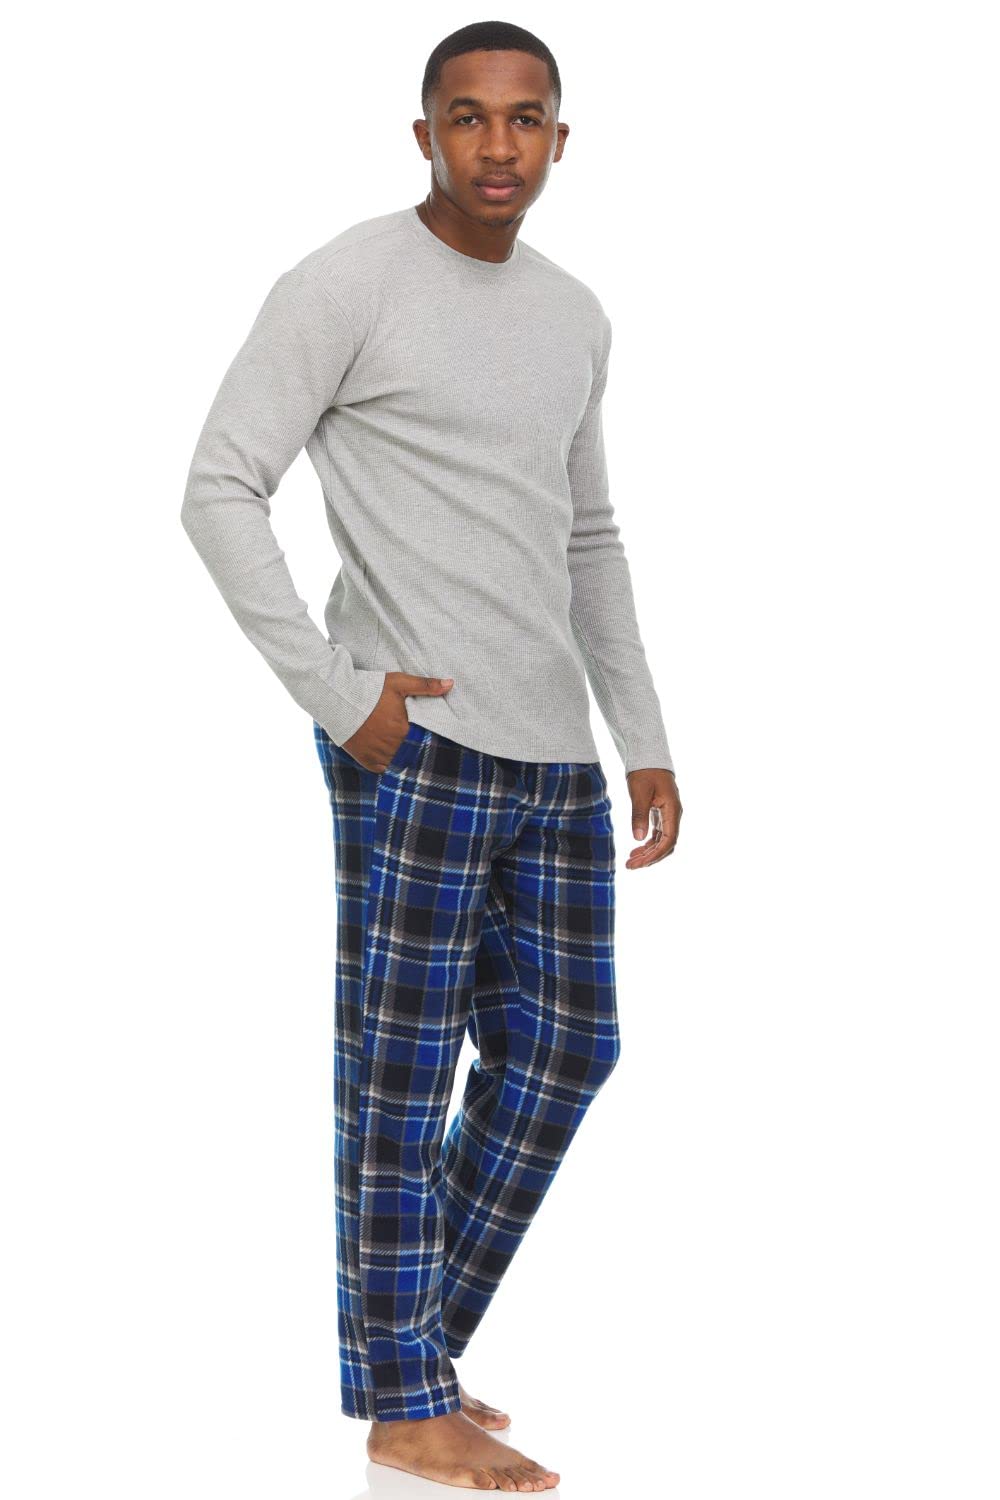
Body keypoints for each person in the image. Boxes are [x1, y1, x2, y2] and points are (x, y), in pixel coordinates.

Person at [180, 18, 683, 1493]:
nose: (497, 145)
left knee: (569, 1048)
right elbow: (217, 487)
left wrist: (642, 738)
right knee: (398, 1078)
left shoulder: (576, 313)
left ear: (562, 140)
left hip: (553, 753)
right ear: (425, 135)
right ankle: (403, 1402)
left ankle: (408, 1356)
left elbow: (589, 537)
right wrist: (341, 698)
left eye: (525, 119)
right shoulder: (346, 284)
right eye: (468, 117)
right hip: (414, 742)